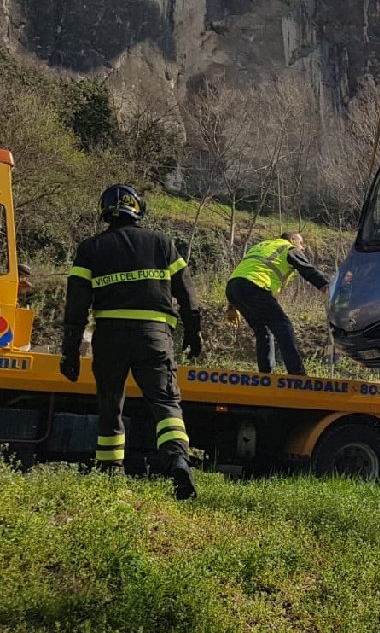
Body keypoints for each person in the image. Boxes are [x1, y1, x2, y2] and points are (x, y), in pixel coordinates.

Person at [60, 184, 202, 500]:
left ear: (105, 211)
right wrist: (193, 332)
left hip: (109, 337)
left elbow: (76, 306)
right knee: (165, 402)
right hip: (154, 336)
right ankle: (178, 460)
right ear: (138, 209)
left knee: (110, 405)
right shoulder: (162, 243)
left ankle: (111, 476)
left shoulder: (90, 249)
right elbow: (186, 292)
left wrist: (70, 351)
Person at [226, 232, 329, 375]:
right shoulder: (288, 248)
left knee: (263, 331)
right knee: (283, 326)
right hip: (255, 287)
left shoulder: (262, 246)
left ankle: (266, 375)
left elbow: (245, 272)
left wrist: (232, 305)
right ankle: (297, 374)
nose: (303, 248)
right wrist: (327, 289)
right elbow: (308, 270)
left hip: (233, 288)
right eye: (301, 243)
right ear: (292, 240)